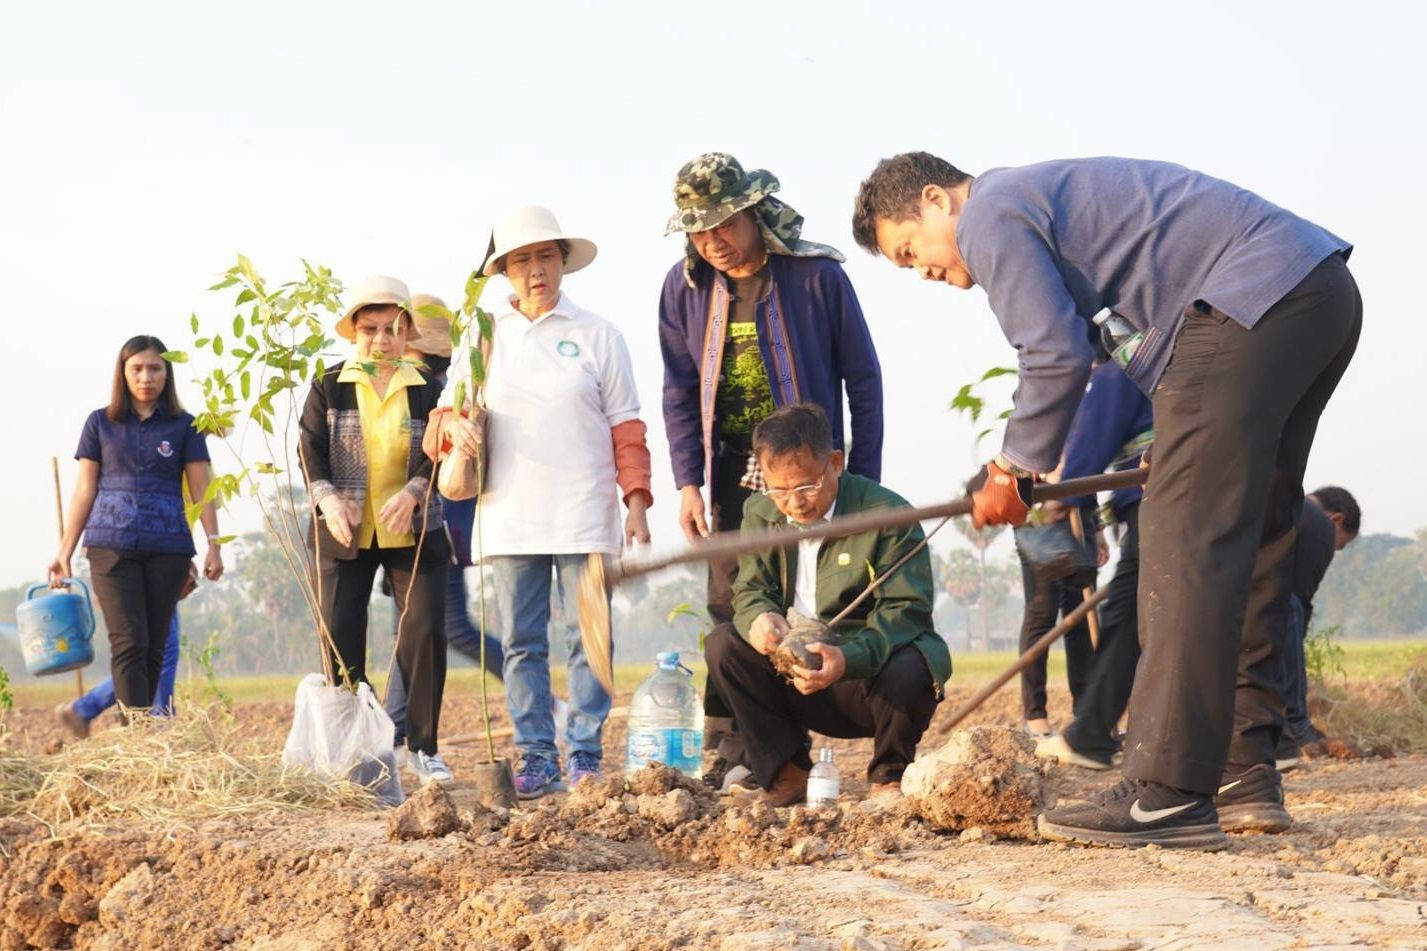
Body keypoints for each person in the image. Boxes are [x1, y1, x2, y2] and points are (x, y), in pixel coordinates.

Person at [853, 153, 1359, 850]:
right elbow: (1121, 349)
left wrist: (1012, 466)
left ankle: (1164, 790)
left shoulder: (990, 212)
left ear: (937, 200)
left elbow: (1052, 351)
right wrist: (1182, 440)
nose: (924, 273)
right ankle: (1244, 772)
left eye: (911, 252)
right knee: (1256, 537)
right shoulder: (1045, 204)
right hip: (1315, 290)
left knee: (1180, 544)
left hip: (1248, 300)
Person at [659, 152, 885, 791]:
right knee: (731, 605)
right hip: (732, 471)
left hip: (809, 472)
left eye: (724, 225)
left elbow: (864, 382)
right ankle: (742, 751)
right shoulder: (685, 288)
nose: (713, 242)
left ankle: (822, 736)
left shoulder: (816, 278)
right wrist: (688, 482)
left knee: (817, 595)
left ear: (754, 213)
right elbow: (678, 390)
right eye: (699, 232)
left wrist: (862, 480)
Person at [443, 206, 653, 798]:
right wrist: (454, 426)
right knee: (521, 644)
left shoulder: (598, 335)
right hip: (509, 515)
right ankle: (536, 756)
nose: (535, 270)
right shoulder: (482, 336)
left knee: (591, 639)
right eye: (521, 261)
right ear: (505, 272)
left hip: (585, 512)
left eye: (545, 257)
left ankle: (585, 755)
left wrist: (636, 500)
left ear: (563, 261)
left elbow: (627, 426)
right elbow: (444, 417)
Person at [705, 403, 948, 806]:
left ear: (835, 463)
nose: (794, 504)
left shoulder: (886, 515)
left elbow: (904, 612)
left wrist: (847, 658)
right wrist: (758, 617)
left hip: (863, 681)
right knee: (723, 644)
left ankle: (889, 777)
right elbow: (749, 589)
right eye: (779, 490)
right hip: (791, 673)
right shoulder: (760, 512)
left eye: (806, 487)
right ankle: (787, 772)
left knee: (914, 662)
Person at [298, 276, 451, 785]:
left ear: (407, 334)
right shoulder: (329, 384)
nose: (381, 341)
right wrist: (328, 500)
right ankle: (350, 754)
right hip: (346, 527)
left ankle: (422, 748)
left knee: (424, 630)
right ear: (354, 333)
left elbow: (439, 452)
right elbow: (309, 450)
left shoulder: (427, 387)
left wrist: (414, 492)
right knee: (340, 639)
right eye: (370, 330)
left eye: (392, 329)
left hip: (413, 526)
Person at [49, 335, 224, 712]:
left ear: (167, 374)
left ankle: (142, 730)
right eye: (137, 369)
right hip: (110, 547)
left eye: (155, 369)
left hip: (168, 549)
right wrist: (64, 552)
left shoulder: (186, 426)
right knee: (129, 643)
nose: (146, 377)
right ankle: (138, 732)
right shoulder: (100, 423)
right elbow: (85, 490)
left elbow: (201, 488)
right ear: (123, 373)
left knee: (154, 646)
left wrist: (214, 544)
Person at [382, 294, 504, 753]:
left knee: (450, 628)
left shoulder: (438, 395)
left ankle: (541, 697)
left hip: (438, 528)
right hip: (410, 525)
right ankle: (394, 728)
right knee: (410, 628)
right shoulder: (418, 389)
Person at [1034, 360, 1154, 771]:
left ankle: (1090, 736)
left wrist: (1065, 495)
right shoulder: (1178, 348)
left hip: (1158, 497)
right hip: (1186, 494)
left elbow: (1096, 431)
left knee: (1125, 615)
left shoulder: (1126, 363)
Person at [54, 565, 195, 737]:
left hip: (148, 563)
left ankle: (84, 709)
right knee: (161, 650)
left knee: (147, 655)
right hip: (138, 563)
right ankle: (160, 723)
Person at [1277, 486, 1360, 764]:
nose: (1331, 551)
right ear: (1336, 520)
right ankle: (1296, 726)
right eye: (1338, 545)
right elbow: (1298, 607)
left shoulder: (1285, 503)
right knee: (1290, 608)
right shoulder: (1316, 521)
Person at [1010, 497, 1102, 741]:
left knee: (1082, 616)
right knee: (1042, 613)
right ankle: (1035, 714)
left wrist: (1098, 527)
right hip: (1039, 515)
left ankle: (1085, 715)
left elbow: (1087, 479)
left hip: (1080, 515)